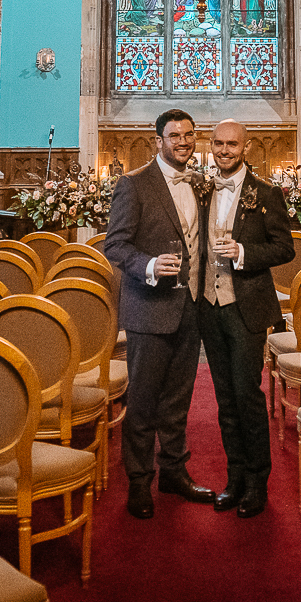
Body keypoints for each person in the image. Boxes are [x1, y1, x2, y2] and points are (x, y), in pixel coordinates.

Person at [102, 108, 219, 519]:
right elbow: (115, 245)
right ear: (159, 141)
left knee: (177, 399)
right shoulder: (133, 185)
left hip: (190, 306)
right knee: (144, 400)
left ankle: (173, 471)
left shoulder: (203, 183)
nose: (183, 142)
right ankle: (138, 480)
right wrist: (149, 266)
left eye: (189, 135)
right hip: (149, 308)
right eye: (174, 136)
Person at [198, 119, 295, 516]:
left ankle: (258, 482)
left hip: (246, 307)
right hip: (208, 304)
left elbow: (284, 248)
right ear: (212, 146)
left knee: (247, 396)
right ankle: (234, 477)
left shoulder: (266, 193)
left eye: (232, 144)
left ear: (247, 147)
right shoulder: (201, 190)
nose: (224, 150)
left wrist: (242, 253)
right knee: (224, 397)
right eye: (219, 144)